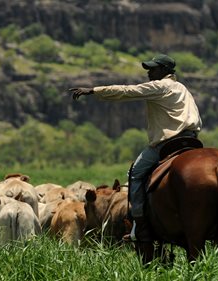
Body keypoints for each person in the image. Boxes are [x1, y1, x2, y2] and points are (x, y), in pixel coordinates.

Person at [69, 54, 202, 242]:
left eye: (153, 69)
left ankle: (139, 224)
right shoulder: (183, 89)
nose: (149, 72)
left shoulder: (160, 86)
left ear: (165, 71)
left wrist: (93, 90)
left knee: (135, 173)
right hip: (192, 140)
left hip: (168, 142)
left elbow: (127, 91)